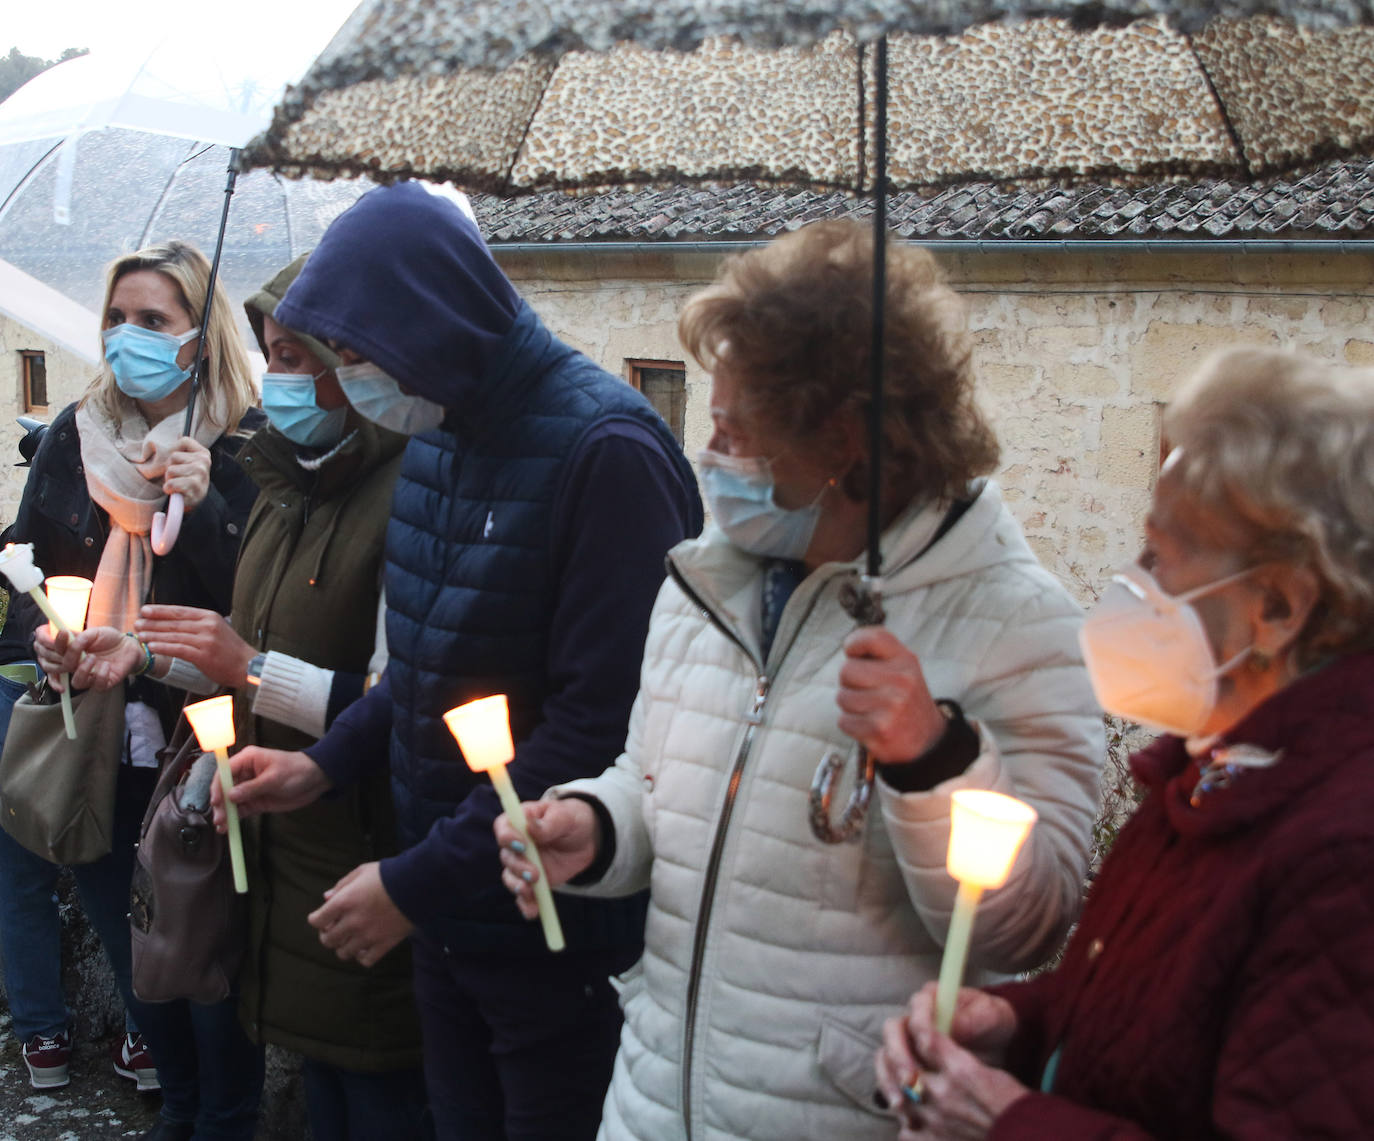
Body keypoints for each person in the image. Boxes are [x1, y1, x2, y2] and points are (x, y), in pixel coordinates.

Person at [493, 220, 1104, 1141]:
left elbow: (1028, 928)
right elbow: (653, 781)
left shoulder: (1015, 620)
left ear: (845, 443)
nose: (711, 451)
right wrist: (596, 825)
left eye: (740, 432)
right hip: (655, 1103)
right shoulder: (703, 584)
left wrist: (931, 760)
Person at [212, 181, 704, 1141]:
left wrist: (410, 884)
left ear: (431, 319)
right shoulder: (433, 437)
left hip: (558, 928)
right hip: (450, 921)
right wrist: (326, 762)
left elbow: (598, 724)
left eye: (356, 353)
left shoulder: (608, 452)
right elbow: (421, 672)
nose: (351, 379)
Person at [873, 345, 1374, 1139]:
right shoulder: (1217, 777)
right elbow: (1152, 1029)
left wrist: (1009, 1122)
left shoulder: (1345, 856)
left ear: (1276, 604)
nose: (1132, 584)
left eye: (1160, 555)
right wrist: (1016, 1022)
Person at [124, 253, 429, 1139]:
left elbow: (395, 703)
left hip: (361, 857)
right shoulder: (286, 481)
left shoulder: (408, 490)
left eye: (295, 359)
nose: (276, 380)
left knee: (375, 1100)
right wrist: (143, 652)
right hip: (284, 854)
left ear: (360, 364)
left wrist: (245, 667)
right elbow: (243, 649)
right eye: (269, 355)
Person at [0, 240, 264, 1135]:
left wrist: (212, 501)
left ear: (200, 335)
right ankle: (177, 1109)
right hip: (102, 736)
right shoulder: (75, 435)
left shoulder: (250, 445)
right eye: (117, 318)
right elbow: (30, 569)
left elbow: (262, 618)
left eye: (153, 320)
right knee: (136, 954)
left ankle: (223, 1115)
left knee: (209, 959)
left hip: (205, 742)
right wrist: (47, 635)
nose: (128, 336)